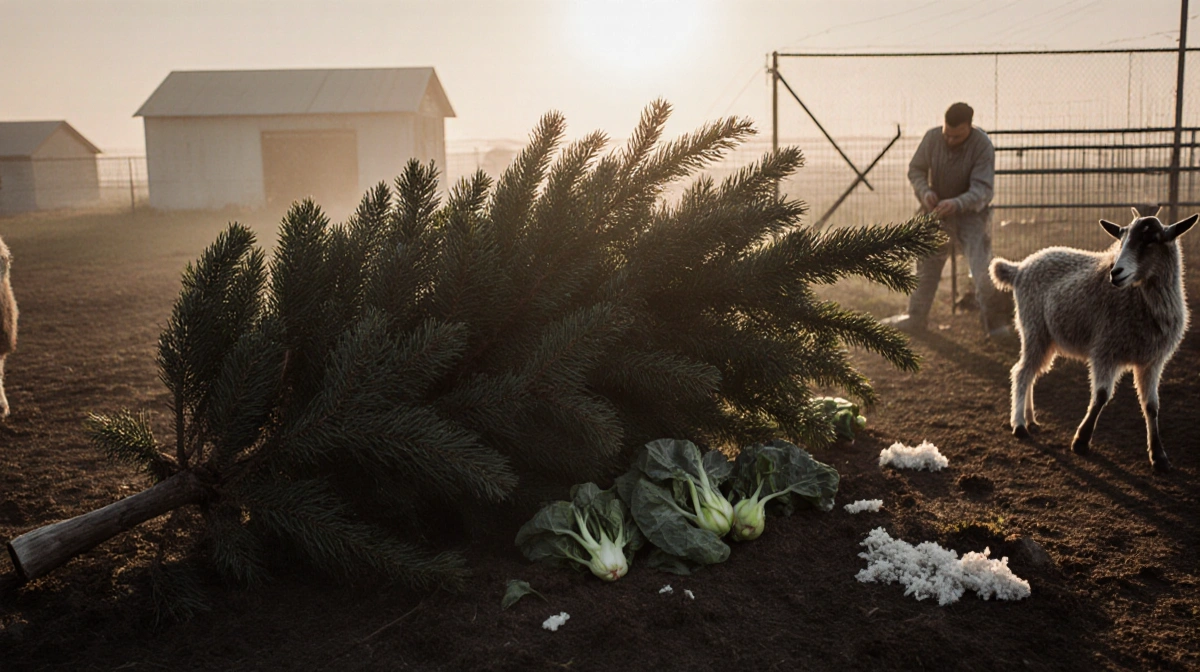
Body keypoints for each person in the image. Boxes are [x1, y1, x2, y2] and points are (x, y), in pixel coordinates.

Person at [883, 102, 1012, 340]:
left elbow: (983, 189)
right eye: (947, 135)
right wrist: (925, 192)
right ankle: (916, 318)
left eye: (958, 136)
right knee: (925, 266)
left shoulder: (982, 146)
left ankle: (994, 325)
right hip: (936, 212)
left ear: (969, 127)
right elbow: (916, 170)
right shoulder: (932, 138)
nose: (951, 140)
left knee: (982, 268)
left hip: (972, 215)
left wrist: (958, 203)